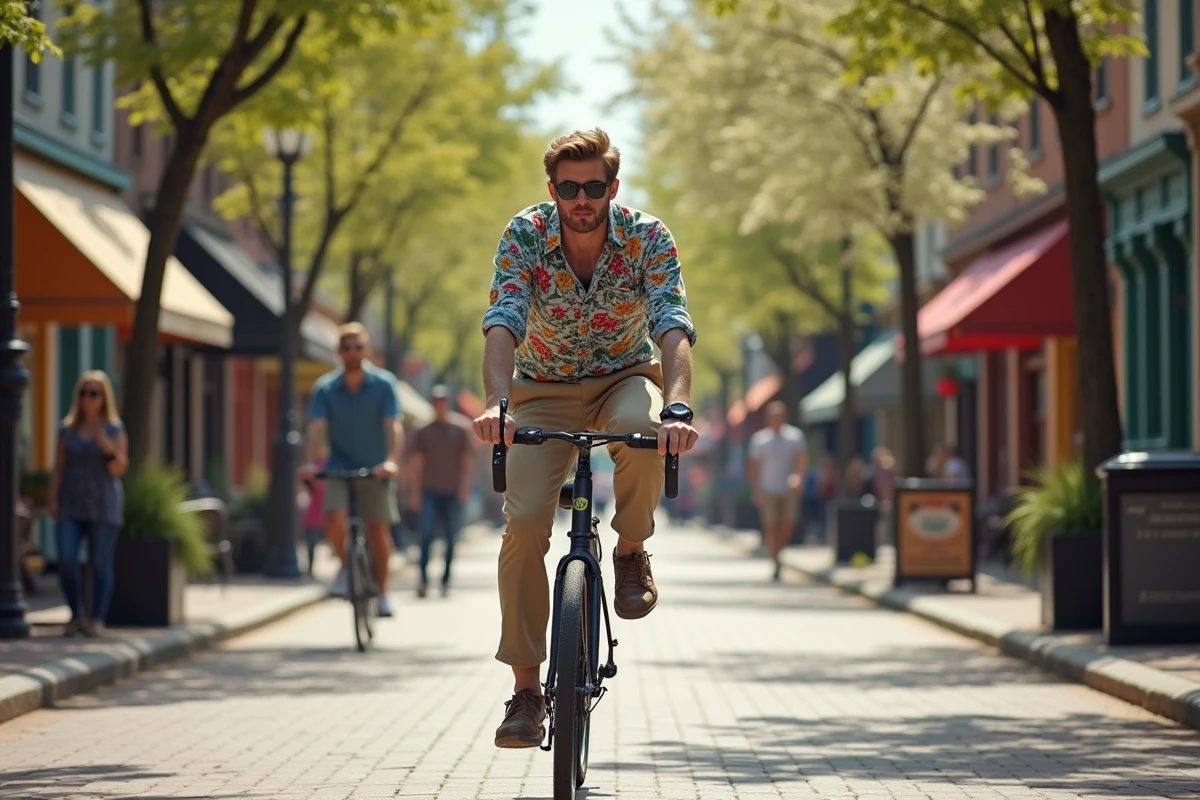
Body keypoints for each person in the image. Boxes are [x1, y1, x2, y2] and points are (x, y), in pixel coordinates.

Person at [472, 128, 699, 748]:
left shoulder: (648, 237)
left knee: (645, 429)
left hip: (622, 377)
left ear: (612, 188)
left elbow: (672, 324)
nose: (581, 199)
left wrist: (678, 405)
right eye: (569, 188)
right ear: (553, 190)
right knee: (521, 529)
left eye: (593, 187)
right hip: (540, 385)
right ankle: (524, 692)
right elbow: (502, 320)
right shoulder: (524, 233)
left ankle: (629, 551)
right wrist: (497, 402)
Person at [299, 323, 403, 618]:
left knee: (378, 531)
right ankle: (346, 568)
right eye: (347, 348)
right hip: (339, 466)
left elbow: (393, 425)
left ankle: (383, 594)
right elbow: (316, 427)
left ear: (367, 350)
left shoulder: (384, 384)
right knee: (333, 516)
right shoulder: (326, 388)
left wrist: (392, 460)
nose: (353, 352)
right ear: (339, 353)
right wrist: (309, 462)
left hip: (377, 468)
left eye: (358, 347)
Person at [49, 371, 128, 637]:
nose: (88, 399)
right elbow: (59, 467)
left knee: (99, 562)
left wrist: (106, 445)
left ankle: (96, 619)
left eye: (93, 393)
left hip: (103, 503)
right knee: (67, 558)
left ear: (104, 397)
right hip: (71, 502)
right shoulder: (67, 428)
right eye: (83, 393)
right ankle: (75, 614)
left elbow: (119, 468)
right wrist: (53, 499)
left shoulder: (114, 428)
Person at [408, 384, 475, 598]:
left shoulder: (460, 428)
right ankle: (423, 580)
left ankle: (445, 580)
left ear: (447, 403)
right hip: (429, 490)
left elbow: (466, 460)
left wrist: (465, 487)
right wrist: (415, 492)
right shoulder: (423, 429)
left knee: (450, 536)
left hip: (452, 491)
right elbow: (418, 462)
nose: (439, 406)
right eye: (435, 401)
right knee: (426, 535)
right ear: (432, 404)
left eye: (442, 401)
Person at [747, 401, 808, 582]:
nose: (776, 419)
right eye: (773, 416)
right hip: (768, 489)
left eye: (779, 416)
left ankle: (778, 551)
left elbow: (801, 460)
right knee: (772, 526)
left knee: (788, 524)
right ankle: (776, 561)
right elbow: (753, 466)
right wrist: (756, 489)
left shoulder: (795, 437)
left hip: (788, 489)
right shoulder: (759, 439)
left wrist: (798, 477)